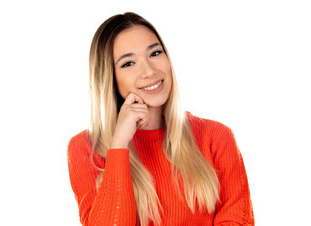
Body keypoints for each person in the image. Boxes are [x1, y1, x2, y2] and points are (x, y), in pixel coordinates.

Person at [67, 12, 255, 226]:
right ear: (109, 77)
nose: (149, 70)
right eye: (128, 63)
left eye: (155, 53)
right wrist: (119, 146)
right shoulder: (85, 149)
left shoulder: (216, 137)